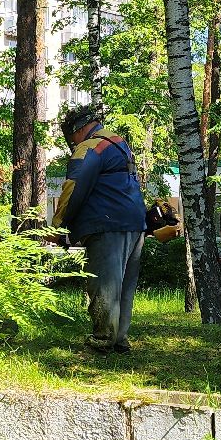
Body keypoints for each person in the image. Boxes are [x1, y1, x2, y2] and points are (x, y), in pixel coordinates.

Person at [50, 103, 144, 353]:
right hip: (134, 224)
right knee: (123, 287)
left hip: (107, 225)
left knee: (104, 284)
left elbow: (74, 188)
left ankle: (103, 340)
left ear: (78, 129)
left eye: (71, 138)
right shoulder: (119, 143)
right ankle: (119, 339)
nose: (72, 143)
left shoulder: (90, 147)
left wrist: (59, 226)